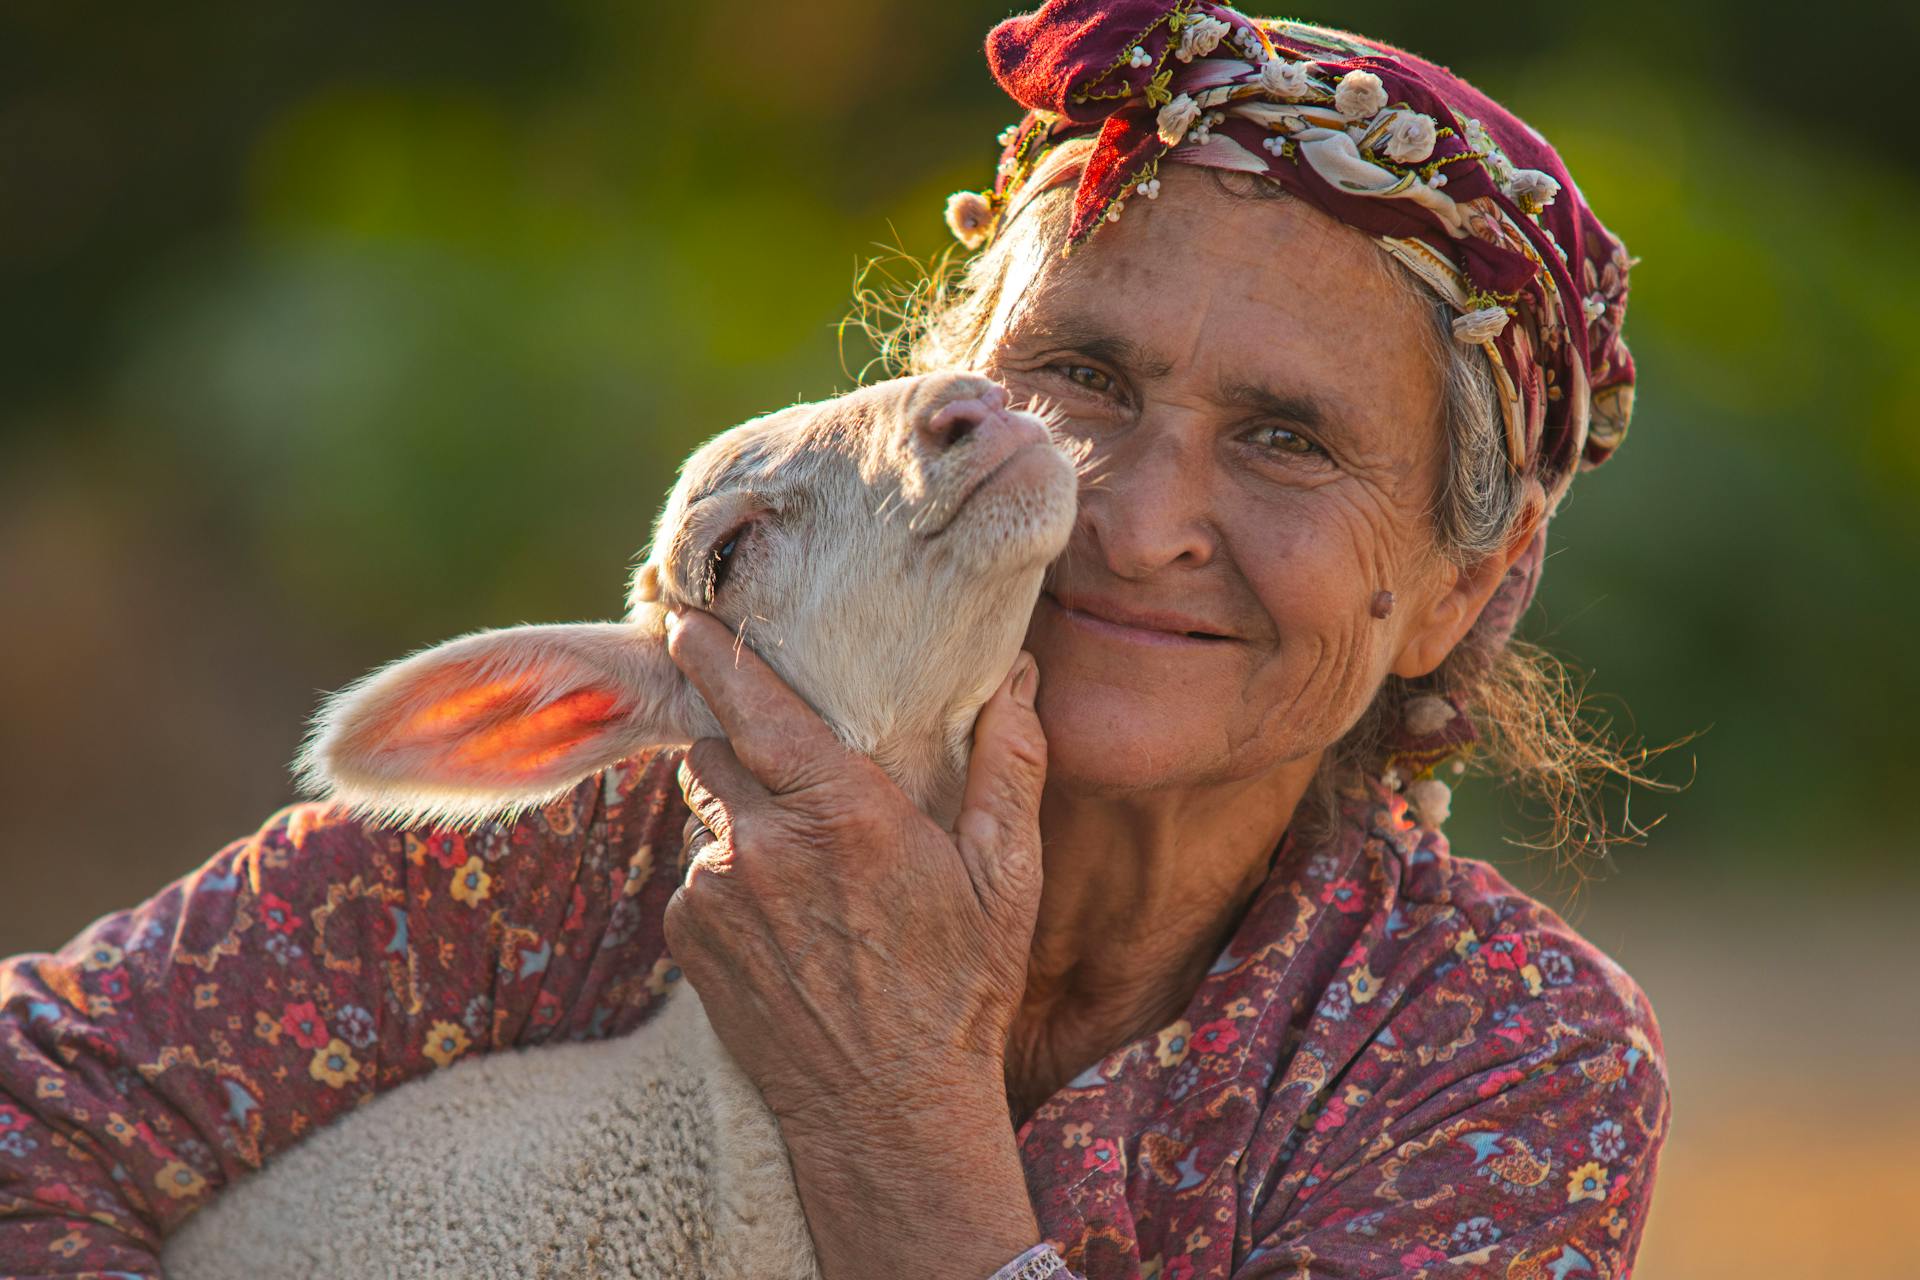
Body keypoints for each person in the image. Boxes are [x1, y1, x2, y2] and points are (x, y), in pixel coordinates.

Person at [0, 3, 1669, 1277]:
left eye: (1289, 441)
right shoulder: (615, 824)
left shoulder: (1489, 1061)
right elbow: (34, 1114)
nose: (1138, 511)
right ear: (956, 407)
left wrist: (892, 1114)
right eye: (1081, 376)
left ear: (1465, 584)